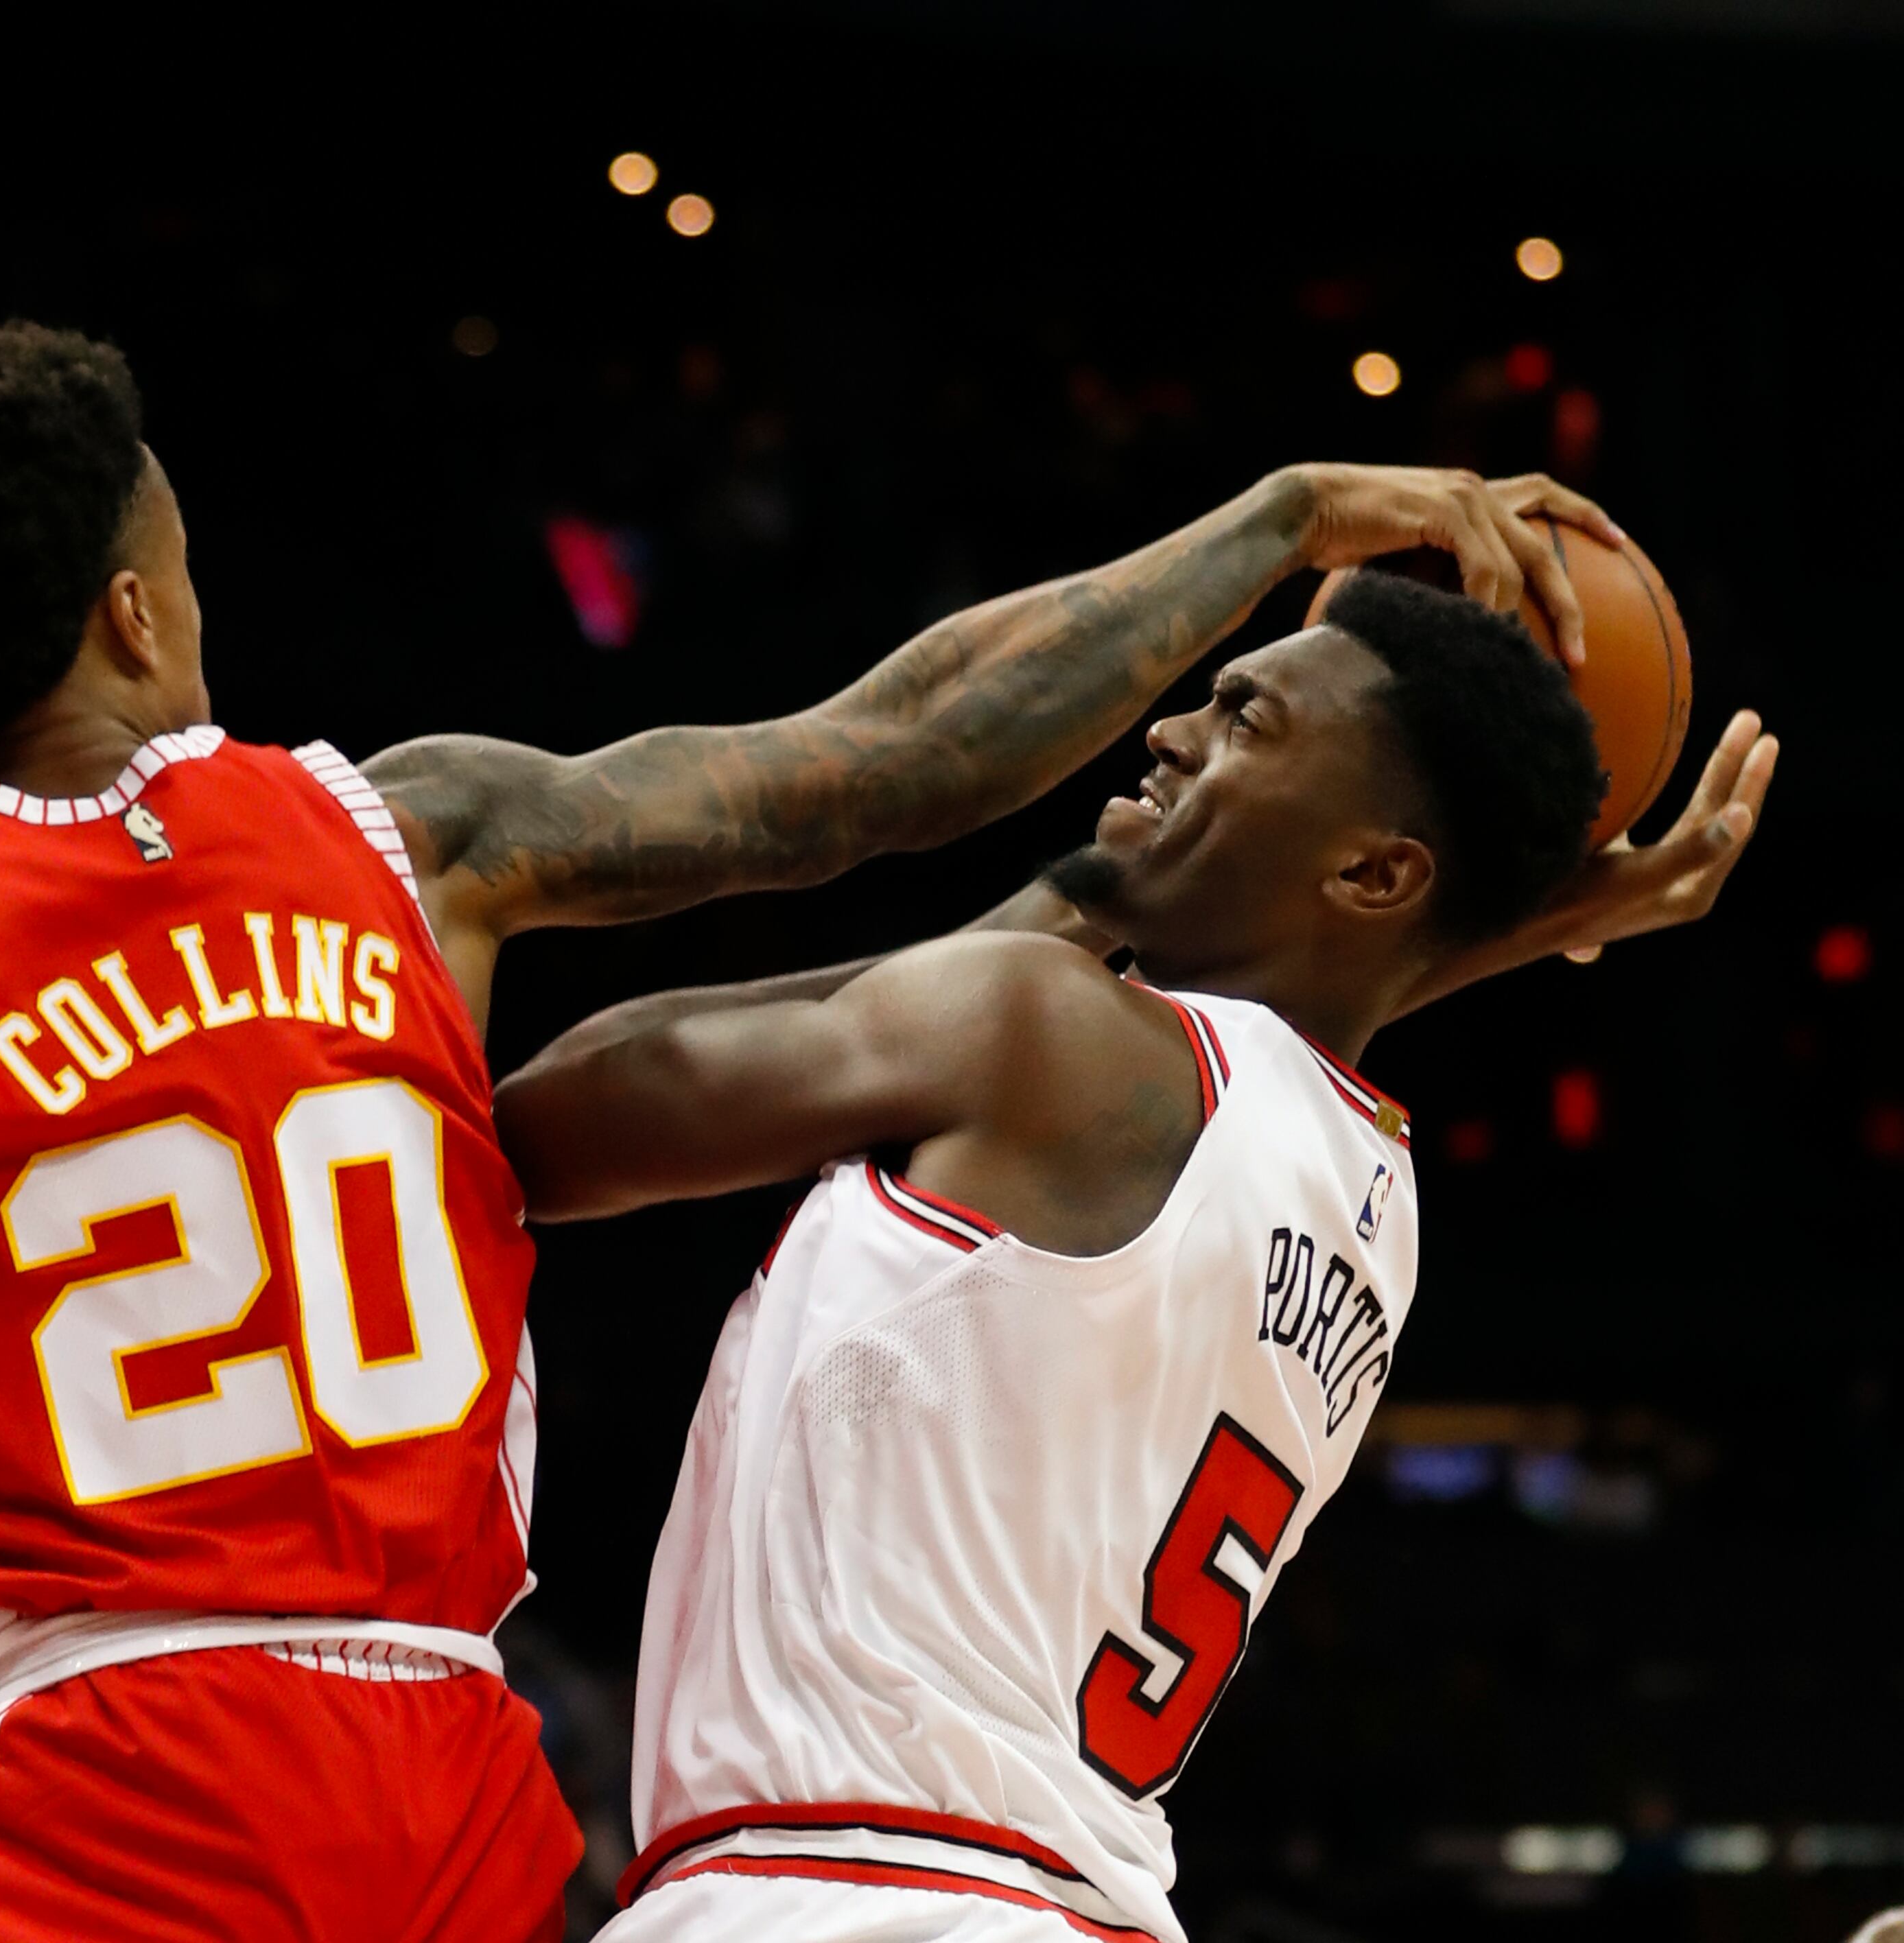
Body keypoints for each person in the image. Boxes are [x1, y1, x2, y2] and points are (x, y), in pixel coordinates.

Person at [0, 319, 1614, 1942]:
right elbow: (906, 747)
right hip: (463, 1799)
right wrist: (1283, 517)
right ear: (142, 603)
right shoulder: (428, 838)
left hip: (123, 1767)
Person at [495, 572, 1778, 1943]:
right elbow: (1322, 994)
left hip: (851, 1894)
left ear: (1370, 870)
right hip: (1061, 1899)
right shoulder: (1375, 1200)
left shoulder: (1050, 1033)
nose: (1169, 731)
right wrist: (1484, 925)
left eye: (1245, 719)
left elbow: (555, 1122)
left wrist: (1077, 892)